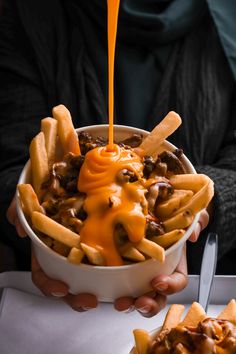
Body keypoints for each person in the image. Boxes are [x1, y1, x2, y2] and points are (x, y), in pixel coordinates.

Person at [0, 0, 236, 317]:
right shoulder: (28, 15)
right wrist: (23, 216)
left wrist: (210, 203)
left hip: (211, 296)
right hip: (45, 310)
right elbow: (11, 158)